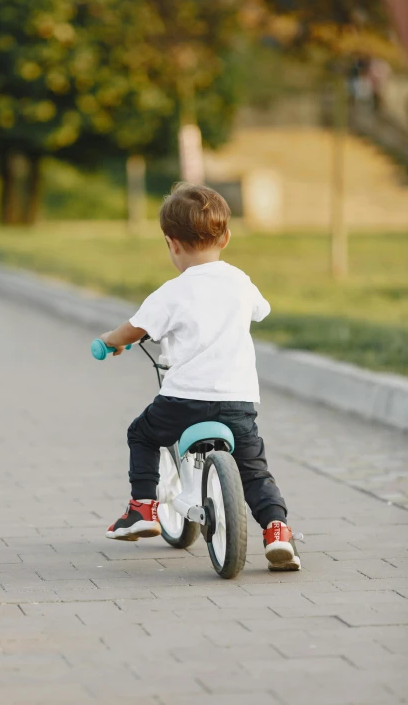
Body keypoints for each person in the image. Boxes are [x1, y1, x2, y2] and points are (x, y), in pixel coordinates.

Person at [99, 183, 300, 572]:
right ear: (226, 237)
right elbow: (261, 311)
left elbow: (132, 330)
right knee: (255, 471)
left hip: (183, 401)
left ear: (172, 244)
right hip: (238, 401)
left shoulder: (172, 293)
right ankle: (278, 531)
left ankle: (142, 508)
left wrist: (110, 341)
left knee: (141, 434)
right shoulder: (240, 281)